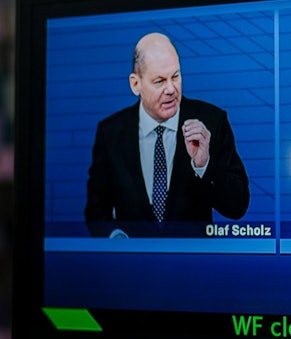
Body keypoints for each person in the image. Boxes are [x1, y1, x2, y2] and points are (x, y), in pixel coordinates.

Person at [83, 32, 250, 237]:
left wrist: (203, 166)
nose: (171, 89)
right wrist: (114, 236)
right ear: (136, 84)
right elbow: (96, 209)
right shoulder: (110, 132)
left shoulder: (212, 122)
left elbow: (238, 206)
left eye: (176, 76)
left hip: (194, 264)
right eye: (160, 81)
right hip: (132, 264)